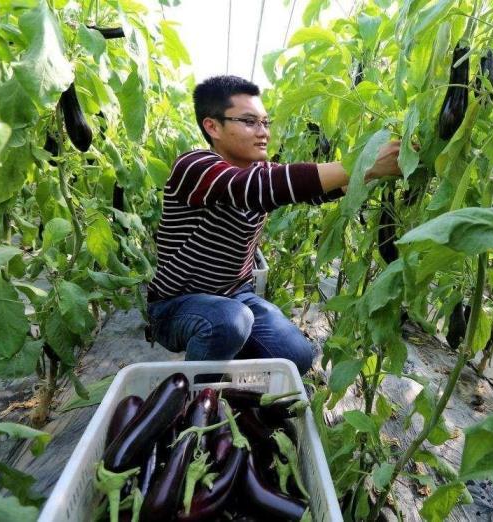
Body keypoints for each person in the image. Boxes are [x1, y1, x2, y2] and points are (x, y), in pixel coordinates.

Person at [145, 75, 402, 375]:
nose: (263, 132)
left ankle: (225, 361)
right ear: (212, 126)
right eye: (249, 121)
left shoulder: (260, 170)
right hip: (177, 304)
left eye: (265, 122)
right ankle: (194, 399)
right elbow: (255, 188)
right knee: (228, 322)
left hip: (236, 295)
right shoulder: (194, 166)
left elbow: (314, 190)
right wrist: (364, 164)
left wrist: (377, 170)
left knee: (296, 357)